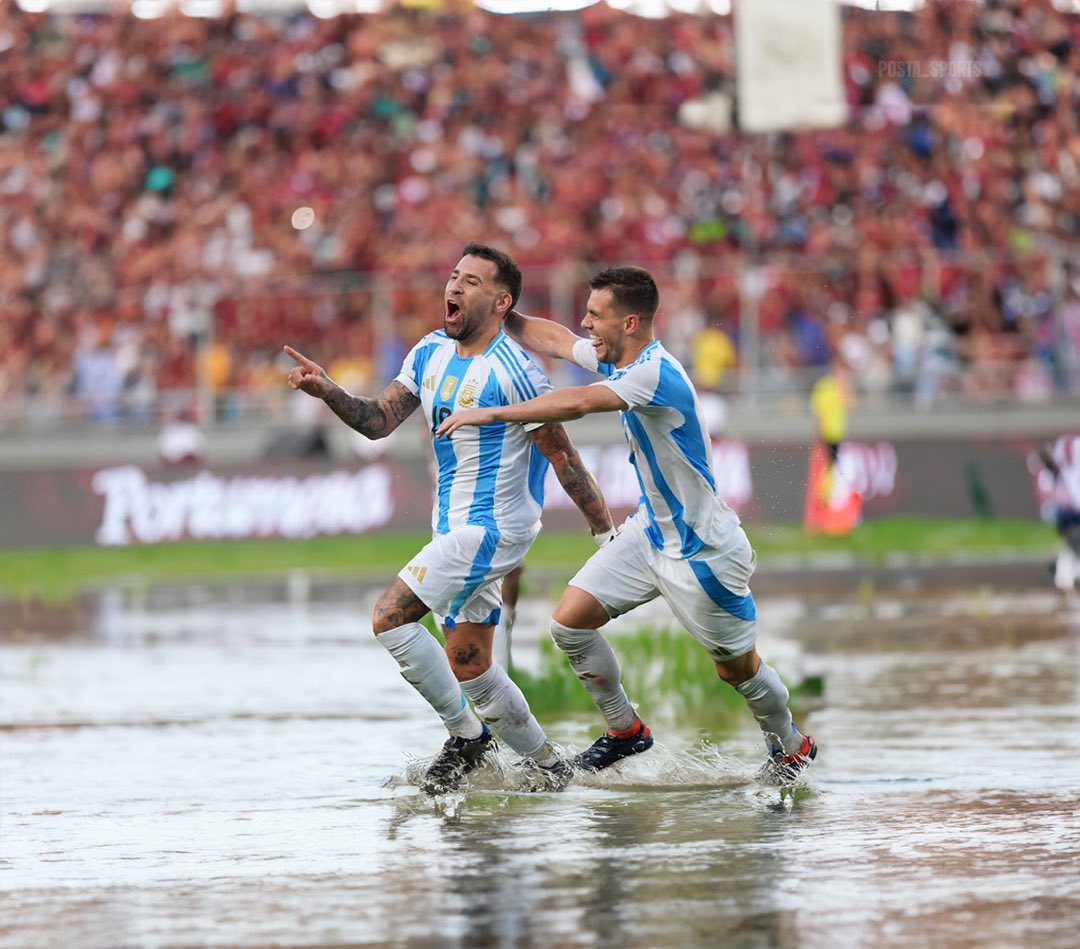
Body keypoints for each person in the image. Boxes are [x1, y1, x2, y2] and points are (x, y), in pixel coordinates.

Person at [437, 265, 817, 785]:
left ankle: (791, 744)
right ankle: (625, 730)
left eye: (597, 316)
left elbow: (577, 402)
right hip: (648, 533)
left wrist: (492, 412)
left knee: (736, 669)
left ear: (630, 322)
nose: (587, 324)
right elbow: (559, 341)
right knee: (569, 623)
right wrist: (504, 315)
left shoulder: (654, 374)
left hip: (702, 551)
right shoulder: (620, 356)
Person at [285, 242, 614, 794]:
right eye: (454, 276)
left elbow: (563, 455)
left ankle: (468, 739)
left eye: (472, 281)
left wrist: (604, 530)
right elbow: (377, 422)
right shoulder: (429, 352)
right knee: (469, 664)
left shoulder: (518, 372)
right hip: (454, 527)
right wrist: (327, 391)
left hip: (493, 530)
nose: (454, 287)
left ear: (502, 301)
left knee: (390, 617)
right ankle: (551, 771)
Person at [1037, 437, 1080, 591]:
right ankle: (1067, 578)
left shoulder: (1069, 473)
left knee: (1072, 547)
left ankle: (1068, 576)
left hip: (1072, 515)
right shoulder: (1047, 477)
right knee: (1072, 545)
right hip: (1068, 517)